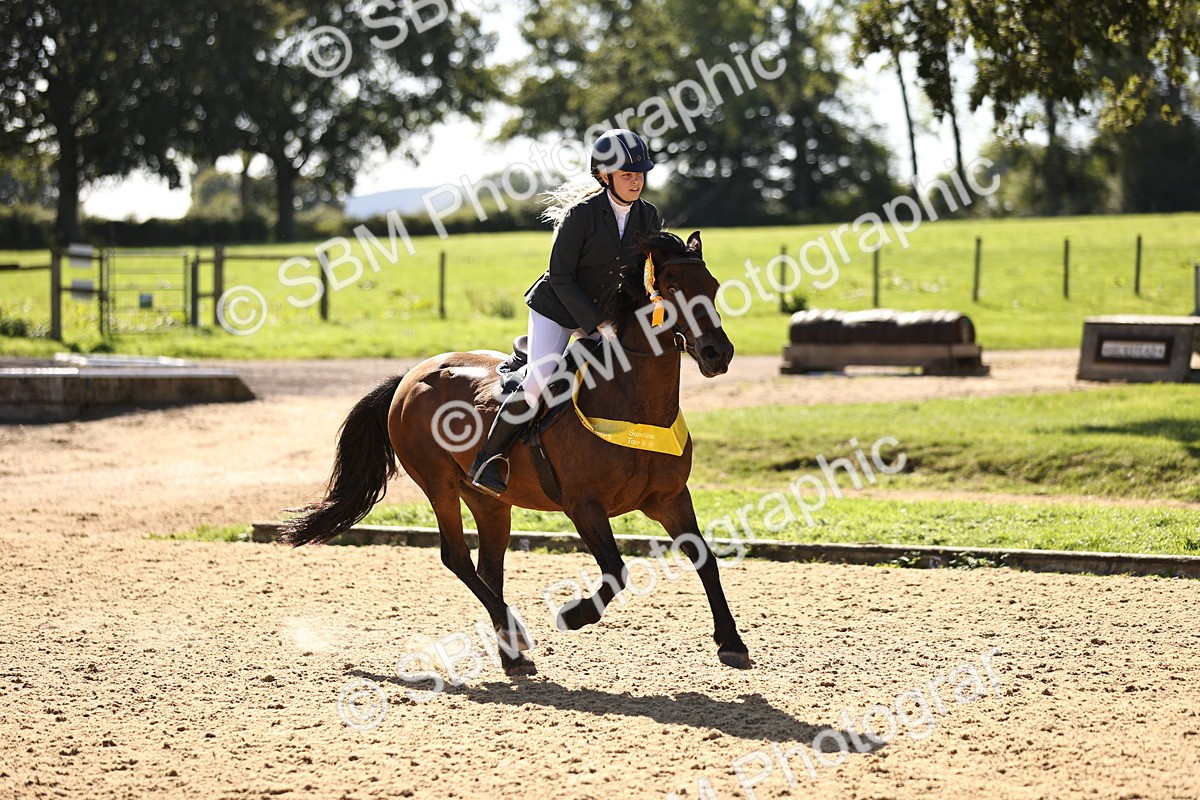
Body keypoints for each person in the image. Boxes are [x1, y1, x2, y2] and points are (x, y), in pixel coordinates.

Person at [468, 128, 664, 498]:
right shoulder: (581, 216)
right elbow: (560, 277)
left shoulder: (648, 216)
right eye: (627, 174)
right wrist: (595, 324)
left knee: (628, 369)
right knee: (540, 381)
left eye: (640, 173)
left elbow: (644, 273)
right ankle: (488, 458)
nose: (636, 180)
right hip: (557, 308)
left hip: (604, 312)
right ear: (605, 176)